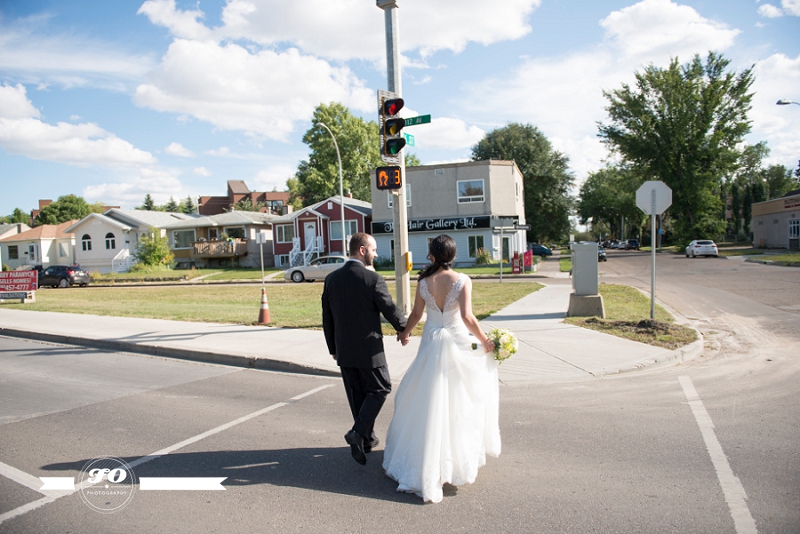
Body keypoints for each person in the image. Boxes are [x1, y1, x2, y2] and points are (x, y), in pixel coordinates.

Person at [383, 234, 501, 503]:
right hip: (456, 344)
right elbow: (467, 317)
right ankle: (451, 462)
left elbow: (415, 315)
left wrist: (404, 333)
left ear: (433, 255)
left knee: (425, 400)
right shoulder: (461, 280)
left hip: (431, 343)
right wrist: (484, 340)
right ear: (453, 254)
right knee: (457, 400)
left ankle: (424, 457)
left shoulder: (423, 281)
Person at [322, 232, 407, 466]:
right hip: (370, 351)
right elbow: (389, 308)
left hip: (344, 350)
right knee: (381, 388)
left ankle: (367, 440)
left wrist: (333, 347)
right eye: (374, 249)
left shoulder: (331, 279)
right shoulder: (373, 279)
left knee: (358, 395)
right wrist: (404, 329)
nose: (376, 254)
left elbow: (326, 317)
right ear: (362, 250)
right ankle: (357, 433)